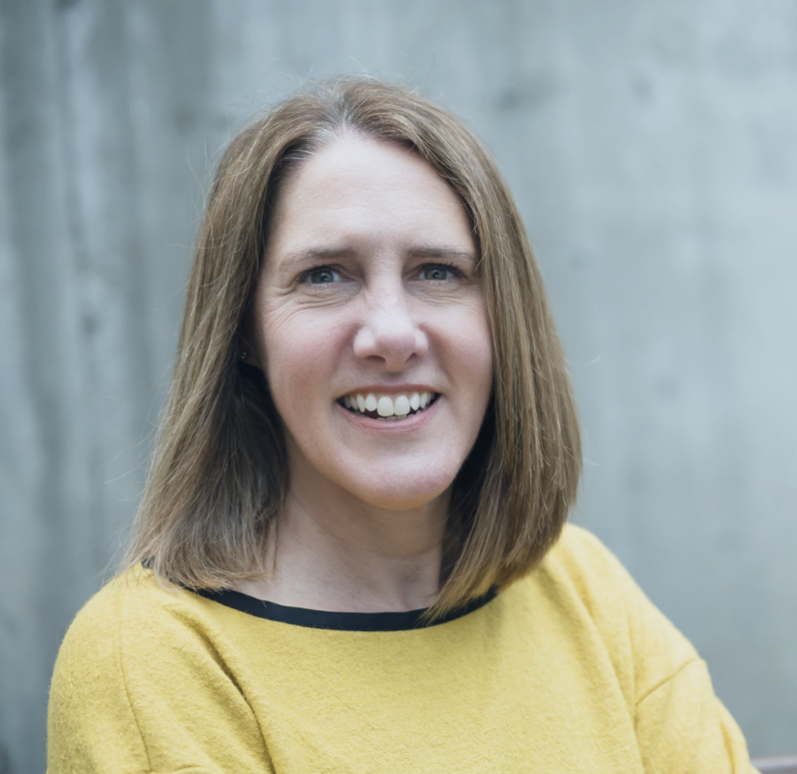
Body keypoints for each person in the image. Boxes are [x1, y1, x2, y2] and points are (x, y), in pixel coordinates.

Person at [47, 78, 758, 773]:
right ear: (243, 333)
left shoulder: (583, 588)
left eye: (438, 272)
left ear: (504, 318)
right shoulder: (155, 661)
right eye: (325, 275)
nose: (391, 333)